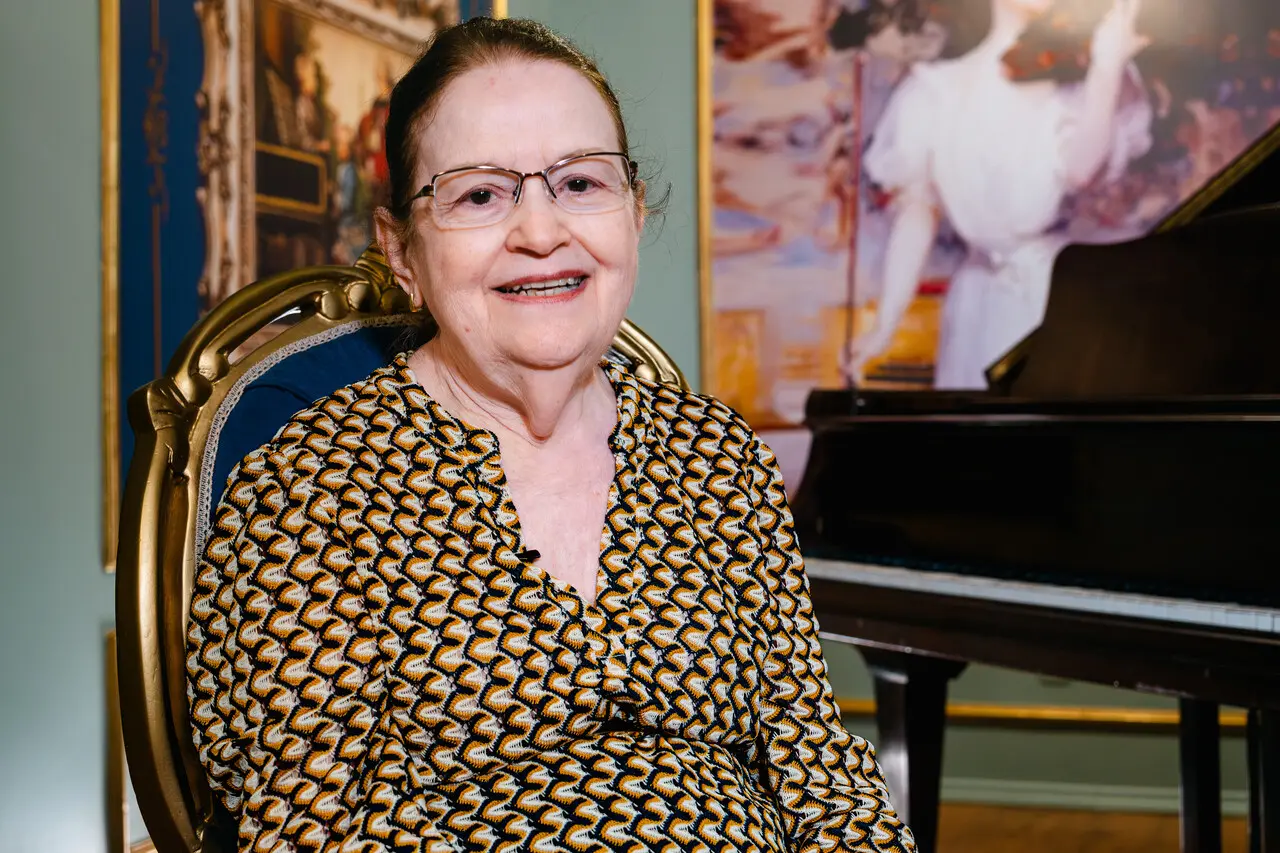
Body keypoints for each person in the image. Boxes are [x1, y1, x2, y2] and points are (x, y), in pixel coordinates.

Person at [186, 16, 915, 853]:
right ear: (402, 253)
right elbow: (315, 833)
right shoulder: (306, 493)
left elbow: (819, 773)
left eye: (579, 182)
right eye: (479, 194)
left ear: (632, 214)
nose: (540, 232)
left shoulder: (718, 456)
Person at [844, 0, 1153, 389]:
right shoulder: (938, 90)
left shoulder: (1080, 77)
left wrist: (1106, 67)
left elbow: (1080, 171)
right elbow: (917, 214)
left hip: (1062, 300)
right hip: (980, 307)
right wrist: (885, 325)